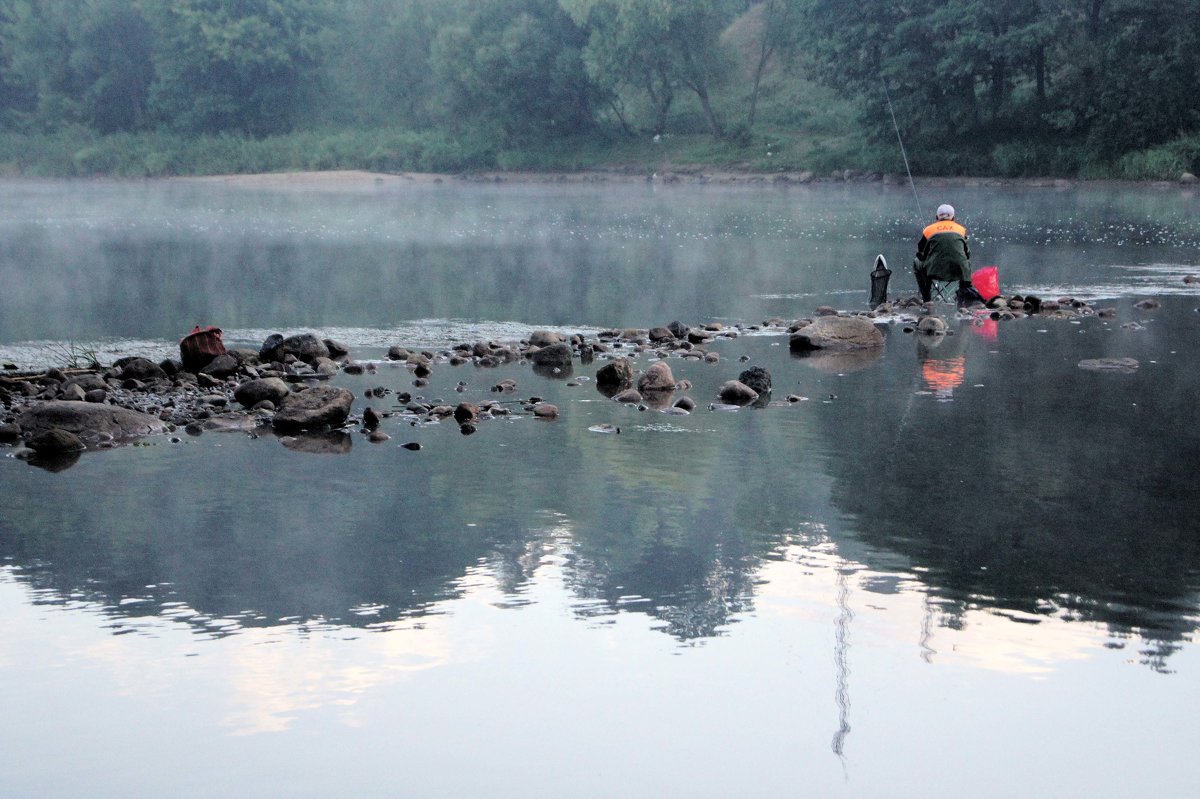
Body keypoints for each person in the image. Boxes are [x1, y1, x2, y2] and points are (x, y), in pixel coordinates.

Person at [913, 204, 978, 305]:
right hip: (959, 272)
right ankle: (962, 296)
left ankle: (927, 298)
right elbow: (967, 253)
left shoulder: (928, 230)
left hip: (934, 272)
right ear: (953, 218)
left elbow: (920, 251)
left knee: (916, 262)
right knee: (965, 262)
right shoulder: (961, 230)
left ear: (937, 217)